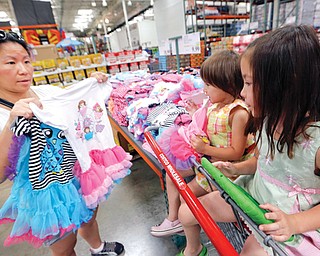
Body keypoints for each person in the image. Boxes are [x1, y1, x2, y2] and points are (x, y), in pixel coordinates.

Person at [177, 24, 320, 256]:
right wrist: (234, 168)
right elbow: (261, 162)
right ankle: (194, 249)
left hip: (288, 219)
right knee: (187, 210)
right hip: (253, 194)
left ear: (285, 85)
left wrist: (295, 223)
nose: (242, 93)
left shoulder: (316, 141)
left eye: (249, 83)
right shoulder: (266, 121)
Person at [0, 30, 125, 256]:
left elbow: (74, 106)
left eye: (26, 61)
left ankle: (98, 248)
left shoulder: (47, 93)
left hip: (78, 173)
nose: (23, 69)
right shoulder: (2, 115)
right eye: (11, 62)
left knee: (89, 217)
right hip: (47, 193)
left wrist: (90, 85)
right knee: (65, 247)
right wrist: (11, 122)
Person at [151, 50, 255, 238]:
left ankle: (187, 231)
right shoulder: (216, 106)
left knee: (187, 197)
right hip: (210, 166)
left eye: (208, 85)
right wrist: (194, 115)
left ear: (228, 85)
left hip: (228, 172)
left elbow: (237, 153)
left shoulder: (238, 113)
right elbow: (213, 128)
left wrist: (204, 149)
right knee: (183, 192)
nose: (204, 90)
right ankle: (184, 228)